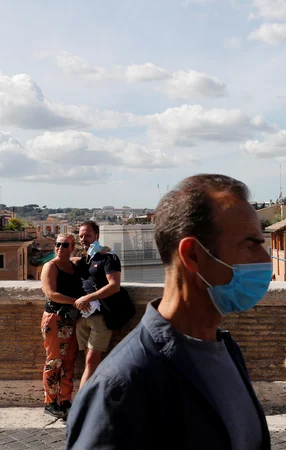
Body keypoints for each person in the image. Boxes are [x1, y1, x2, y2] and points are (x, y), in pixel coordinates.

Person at [66, 174, 272, 449]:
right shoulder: (121, 387)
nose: (266, 259)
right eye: (250, 244)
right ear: (193, 255)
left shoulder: (228, 352)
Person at [73, 220, 120, 389]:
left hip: (100, 318)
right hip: (83, 317)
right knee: (89, 363)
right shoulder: (82, 261)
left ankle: (81, 408)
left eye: (88, 235)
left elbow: (114, 285)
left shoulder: (109, 257)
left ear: (97, 236)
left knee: (92, 363)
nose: (84, 239)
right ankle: (93, 400)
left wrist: (88, 298)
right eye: (81, 236)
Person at [39, 234, 83, 419]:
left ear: (72, 247)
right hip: (56, 319)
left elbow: (90, 258)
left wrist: (104, 251)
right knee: (54, 360)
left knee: (68, 362)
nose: (60, 248)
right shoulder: (50, 266)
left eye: (65, 245)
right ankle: (50, 403)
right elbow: (51, 294)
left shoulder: (73, 264)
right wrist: (77, 301)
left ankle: (65, 400)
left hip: (71, 320)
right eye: (57, 244)